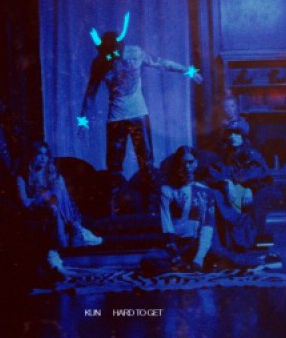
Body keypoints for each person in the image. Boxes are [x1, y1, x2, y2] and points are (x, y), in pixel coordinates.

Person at [80, 14, 202, 212]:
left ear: (121, 46)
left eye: (117, 52)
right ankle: (113, 213)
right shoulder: (101, 62)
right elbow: (90, 93)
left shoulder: (135, 53)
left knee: (147, 166)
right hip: (116, 119)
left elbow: (161, 63)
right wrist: (82, 122)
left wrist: (187, 71)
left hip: (138, 115)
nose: (115, 56)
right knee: (114, 169)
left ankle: (152, 210)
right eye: (110, 54)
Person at [159, 145, 280, 272]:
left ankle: (262, 260)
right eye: (183, 163)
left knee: (226, 257)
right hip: (174, 245)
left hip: (196, 243)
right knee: (153, 261)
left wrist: (198, 258)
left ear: (196, 163)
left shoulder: (204, 191)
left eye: (190, 162)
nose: (186, 167)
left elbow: (206, 227)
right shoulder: (167, 190)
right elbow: (166, 224)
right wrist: (174, 252)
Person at [16, 141, 102, 274]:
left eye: (46, 154)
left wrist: (49, 197)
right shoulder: (22, 177)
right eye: (39, 154)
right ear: (32, 156)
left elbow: (58, 196)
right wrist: (41, 200)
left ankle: (56, 248)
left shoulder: (52, 174)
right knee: (54, 202)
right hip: (35, 209)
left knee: (57, 196)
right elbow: (25, 203)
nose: (43, 158)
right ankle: (76, 229)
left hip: (53, 207)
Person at [206, 120, 281, 245]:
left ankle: (244, 239)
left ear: (244, 136)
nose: (232, 137)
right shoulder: (226, 154)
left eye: (237, 133)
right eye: (230, 133)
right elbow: (215, 171)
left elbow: (261, 177)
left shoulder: (253, 155)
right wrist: (227, 182)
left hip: (250, 193)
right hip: (231, 193)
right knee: (216, 196)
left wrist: (249, 188)